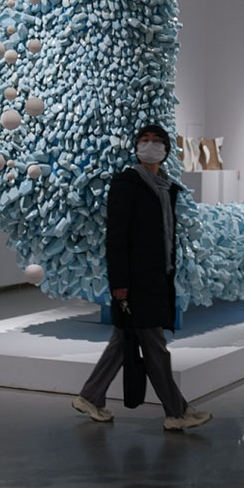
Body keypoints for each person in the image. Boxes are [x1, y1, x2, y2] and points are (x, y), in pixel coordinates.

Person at [71, 124, 212, 431]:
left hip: (156, 277)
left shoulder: (167, 188)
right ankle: (177, 411)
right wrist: (119, 283)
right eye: (144, 140)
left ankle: (90, 397)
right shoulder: (126, 183)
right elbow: (117, 236)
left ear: (166, 149)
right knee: (155, 346)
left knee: (123, 340)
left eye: (156, 141)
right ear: (136, 148)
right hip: (135, 282)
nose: (150, 145)